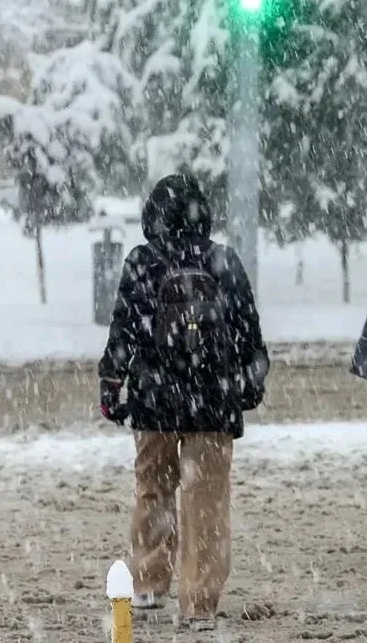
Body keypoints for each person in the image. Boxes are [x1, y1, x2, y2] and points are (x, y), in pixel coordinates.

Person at [97, 173, 270, 631]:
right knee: (207, 500)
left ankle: (149, 584)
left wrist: (112, 385)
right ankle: (200, 601)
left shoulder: (142, 261)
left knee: (153, 489)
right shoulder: (222, 261)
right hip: (213, 402)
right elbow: (248, 334)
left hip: (155, 399)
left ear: (152, 216)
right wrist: (249, 384)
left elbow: (123, 332)